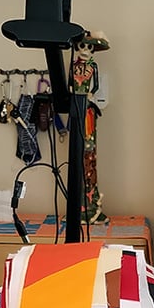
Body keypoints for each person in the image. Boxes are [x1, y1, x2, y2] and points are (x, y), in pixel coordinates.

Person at [70, 31, 110, 222]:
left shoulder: (92, 66)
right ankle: (78, 206)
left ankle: (91, 205)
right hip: (76, 109)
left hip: (87, 110)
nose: (85, 50)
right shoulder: (73, 65)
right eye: (82, 46)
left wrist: (90, 95)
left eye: (89, 47)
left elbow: (95, 85)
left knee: (88, 154)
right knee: (76, 157)